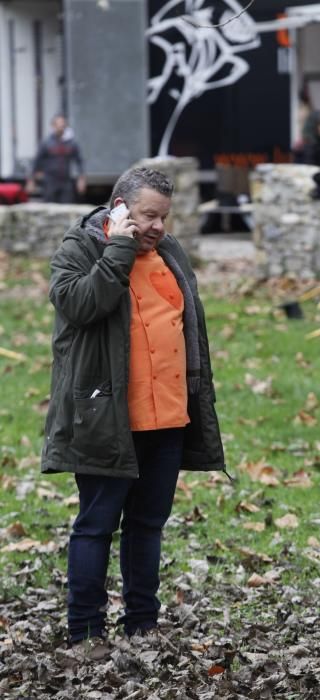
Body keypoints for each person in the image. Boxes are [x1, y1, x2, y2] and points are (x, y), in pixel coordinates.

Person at [41, 166, 225, 659]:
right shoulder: (80, 249)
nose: (158, 227)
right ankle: (85, 634)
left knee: (148, 525)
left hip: (166, 419)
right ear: (120, 207)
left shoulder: (168, 253)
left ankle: (142, 624)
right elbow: (78, 306)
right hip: (106, 419)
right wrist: (119, 249)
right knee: (97, 524)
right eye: (148, 216)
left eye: (164, 217)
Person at [27, 114, 86, 203]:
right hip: (50, 182)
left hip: (66, 182)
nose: (61, 127)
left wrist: (81, 179)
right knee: (49, 208)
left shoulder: (71, 143)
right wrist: (31, 181)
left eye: (63, 124)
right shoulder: (46, 143)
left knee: (67, 208)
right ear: (53, 126)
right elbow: (36, 162)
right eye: (59, 124)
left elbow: (79, 161)